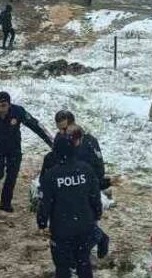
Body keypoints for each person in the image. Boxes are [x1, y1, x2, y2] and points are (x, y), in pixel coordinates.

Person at [37, 133, 102, 278]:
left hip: (62, 229)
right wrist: (97, 214)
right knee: (83, 262)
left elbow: (45, 203)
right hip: (85, 225)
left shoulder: (51, 175)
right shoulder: (86, 170)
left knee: (63, 266)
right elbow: (95, 196)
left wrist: (42, 222)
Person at [39, 110, 110, 259]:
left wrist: (93, 185)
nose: (62, 132)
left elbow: (99, 168)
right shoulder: (60, 140)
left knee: (87, 222)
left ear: (73, 124)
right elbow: (55, 162)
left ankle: (98, 240)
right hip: (67, 187)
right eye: (59, 129)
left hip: (86, 186)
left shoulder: (89, 141)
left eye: (64, 128)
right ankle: (78, 256)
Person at [0, 91, 52, 212]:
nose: (0, 109)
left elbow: (35, 126)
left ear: (9, 105)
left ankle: (6, 203)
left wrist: (51, 143)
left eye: (3, 106)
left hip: (14, 148)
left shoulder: (18, 111)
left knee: (12, 175)